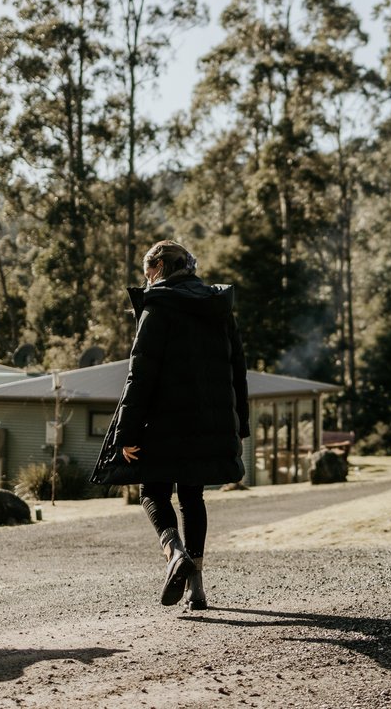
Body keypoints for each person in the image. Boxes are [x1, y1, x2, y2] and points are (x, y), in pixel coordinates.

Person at [91, 240, 249, 610]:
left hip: (161, 422)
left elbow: (140, 376)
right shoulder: (219, 307)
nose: (145, 279)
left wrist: (125, 434)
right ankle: (197, 586)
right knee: (193, 496)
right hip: (210, 421)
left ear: (159, 266)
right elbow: (237, 371)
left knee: (152, 492)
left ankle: (174, 554)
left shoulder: (158, 307)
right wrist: (237, 424)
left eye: (147, 272)